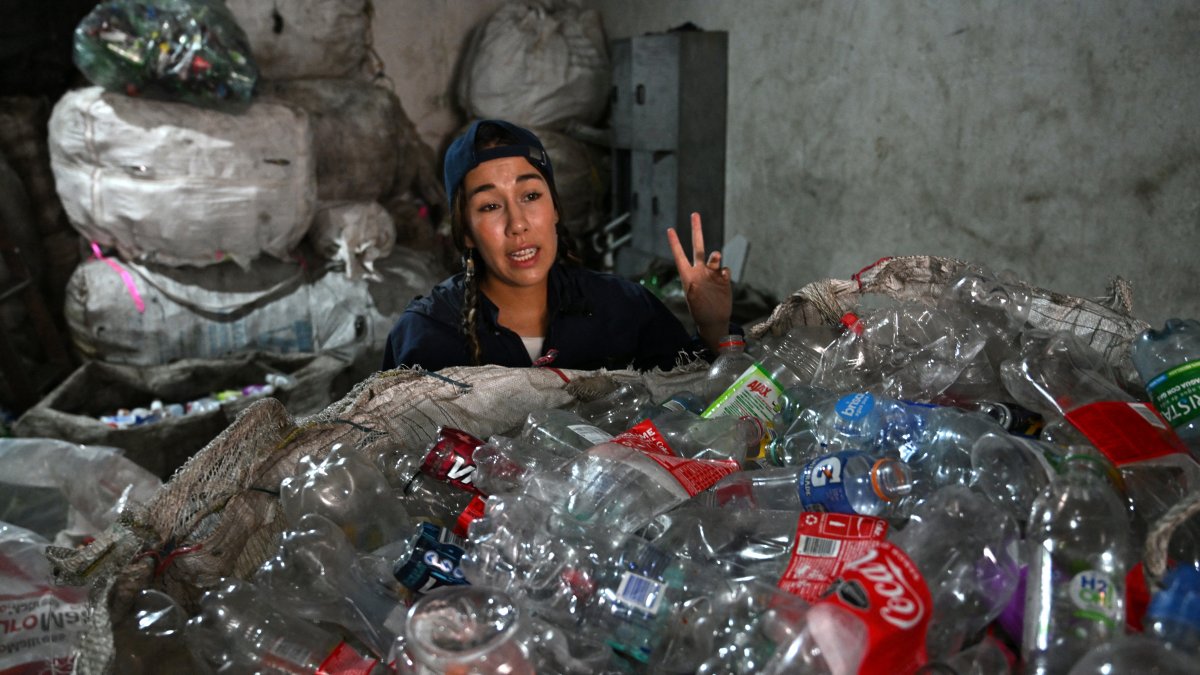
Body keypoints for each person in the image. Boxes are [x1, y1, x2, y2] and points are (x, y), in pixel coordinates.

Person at [382, 119, 736, 373]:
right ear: (466, 233)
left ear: (555, 209)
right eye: (489, 206)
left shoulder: (623, 309)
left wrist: (713, 327)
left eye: (531, 196)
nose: (517, 223)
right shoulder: (427, 335)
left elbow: (693, 403)